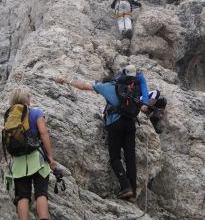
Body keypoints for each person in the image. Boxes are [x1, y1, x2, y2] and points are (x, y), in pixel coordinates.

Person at [56, 65, 149, 201]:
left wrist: (66, 80)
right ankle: (133, 192)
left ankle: (125, 186)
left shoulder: (108, 87)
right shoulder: (135, 87)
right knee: (130, 157)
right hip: (130, 123)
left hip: (115, 123)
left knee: (115, 157)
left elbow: (83, 87)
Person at [4, 88, 56, 220]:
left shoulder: (10, 116)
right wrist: (50, 157)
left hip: (19, 162)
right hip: (36, 159)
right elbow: (43, 133)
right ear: (27, 99)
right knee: (41, 192)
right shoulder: (36, 113)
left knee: (22, 195)